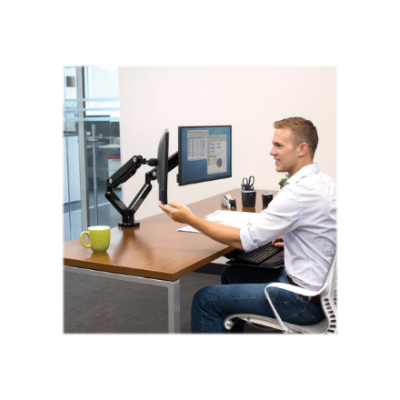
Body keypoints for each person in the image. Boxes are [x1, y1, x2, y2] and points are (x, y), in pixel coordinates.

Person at [159, 117, 337, 333]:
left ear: (301, 149)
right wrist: (295, 238)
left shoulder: (297, 193)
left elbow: (243, 241)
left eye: (279, 145)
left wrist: (191, 219)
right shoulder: (325, 182)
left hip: (302, 302)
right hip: (321, 291)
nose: (272, 151)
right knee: (232, 273)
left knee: (204, 299)